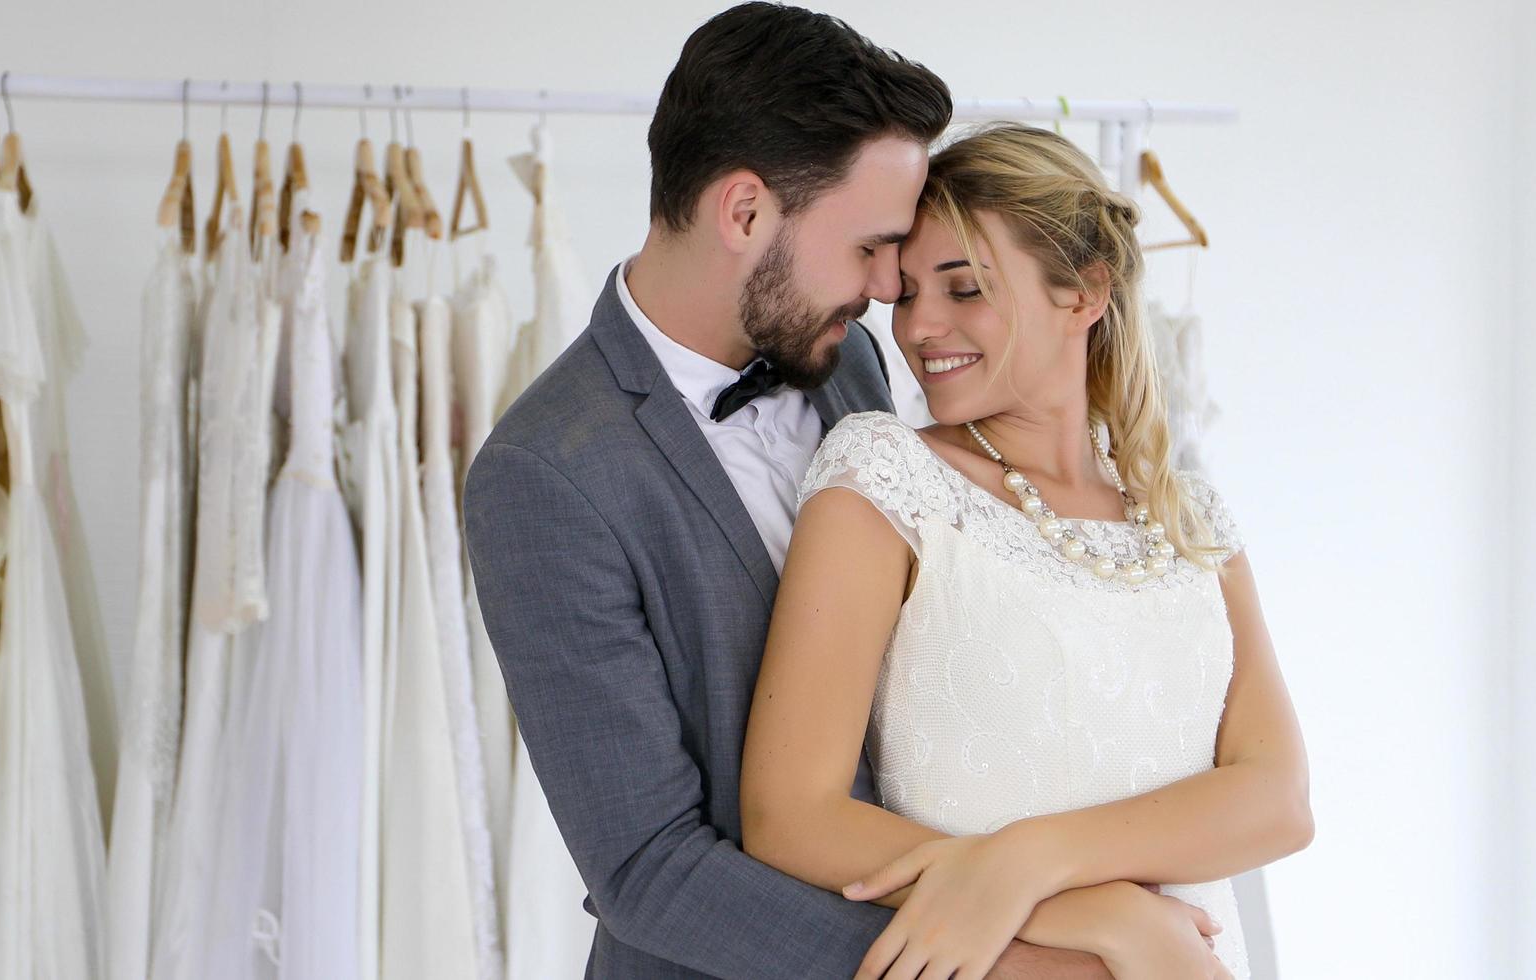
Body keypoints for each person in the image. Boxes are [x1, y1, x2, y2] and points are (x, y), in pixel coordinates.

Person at [466, 5, 1216, 975]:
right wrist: (1022, 960)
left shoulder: (848, 357)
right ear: (743, 213)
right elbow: (650, 870)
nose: (885, 288)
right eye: (867, 246)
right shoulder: (543, 474)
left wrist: (1050, 887)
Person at [739, 123, 1314, 980]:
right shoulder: (883, 476)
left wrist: (1030, 860)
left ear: (1084, 293)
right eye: (905, 296)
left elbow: (1277, 801)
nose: (920, 328)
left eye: (964, 288)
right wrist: (1104, 915)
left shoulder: (1185, 514)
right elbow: (791, 814)